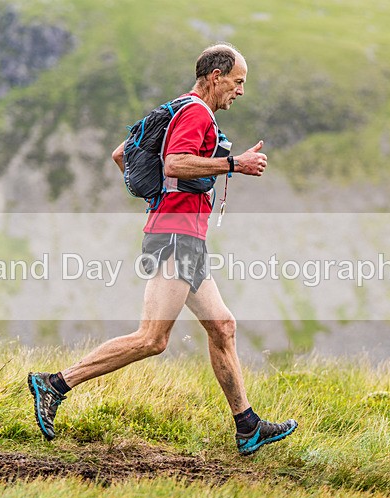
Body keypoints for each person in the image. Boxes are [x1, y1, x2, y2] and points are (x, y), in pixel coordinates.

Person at [28, 43, 297, 455]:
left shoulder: (176, 107)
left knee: (222, 326)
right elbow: (174, 163)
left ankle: (248, 426)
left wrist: (160, 201)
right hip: (176, 236)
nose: (241, 91)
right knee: (153, 338)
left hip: (181, 234)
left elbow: (122, 155)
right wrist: (233, 164)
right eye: (238, 82)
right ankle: (54, 384)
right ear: (215, 76)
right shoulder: (195, 112)